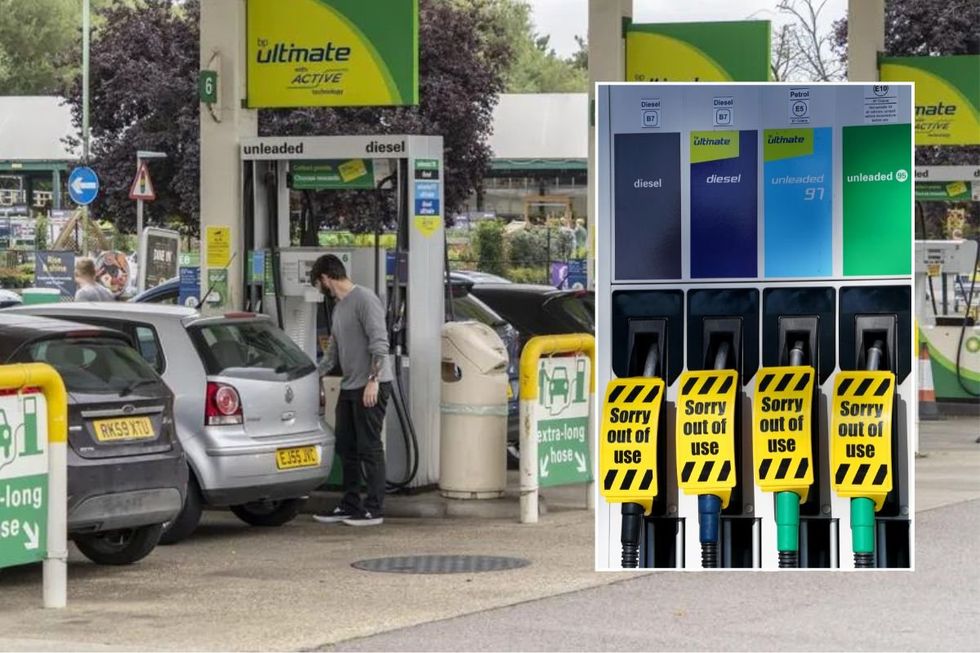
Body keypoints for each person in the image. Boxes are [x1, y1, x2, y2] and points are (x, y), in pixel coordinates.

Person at [309, 254, 392, 527]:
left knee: (369, 447)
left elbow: (380, 343)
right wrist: (313, 374)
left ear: (325, 278)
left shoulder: (365, 300)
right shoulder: (339, 308)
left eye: (318, 283)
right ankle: (350, 503)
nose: (320, 289)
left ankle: (374, 508)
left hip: (371, 385)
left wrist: (373, 380)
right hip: (349, 385)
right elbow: (332, 352)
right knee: (346, 446)